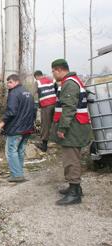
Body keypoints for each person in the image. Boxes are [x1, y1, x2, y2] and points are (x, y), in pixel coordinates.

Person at [50, 59, 91, 206]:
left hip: (73, 128)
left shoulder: (69, 83)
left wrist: (62, 128)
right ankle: (75, 189)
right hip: (76, 126)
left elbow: (69, 108)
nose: (53, 74)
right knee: (72, 157)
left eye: (53, 71)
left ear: (59, 69)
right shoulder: (73, 81)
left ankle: (74, 194)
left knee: (71, 159)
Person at [0, 74, 36, 182]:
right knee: (20, 150)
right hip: (27, 128)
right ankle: (18, 173)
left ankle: (16, 175)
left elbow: (11, 111)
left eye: (10, 82)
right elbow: (34, 110)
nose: (8, 84)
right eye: (7, 82)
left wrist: (3, 122)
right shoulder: (28, 92)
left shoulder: (14, 93)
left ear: (16, 82)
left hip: (16, 128)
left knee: (11, 151)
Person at [33, 70, 58, 152]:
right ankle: (57, 141)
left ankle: (44, 145)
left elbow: (33, 94)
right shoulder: (51, 80)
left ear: (36, 76)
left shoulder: (38, 82)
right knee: (55, 122)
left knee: (45, 124)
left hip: (46, 106)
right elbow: (57, 90)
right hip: (55, 104)